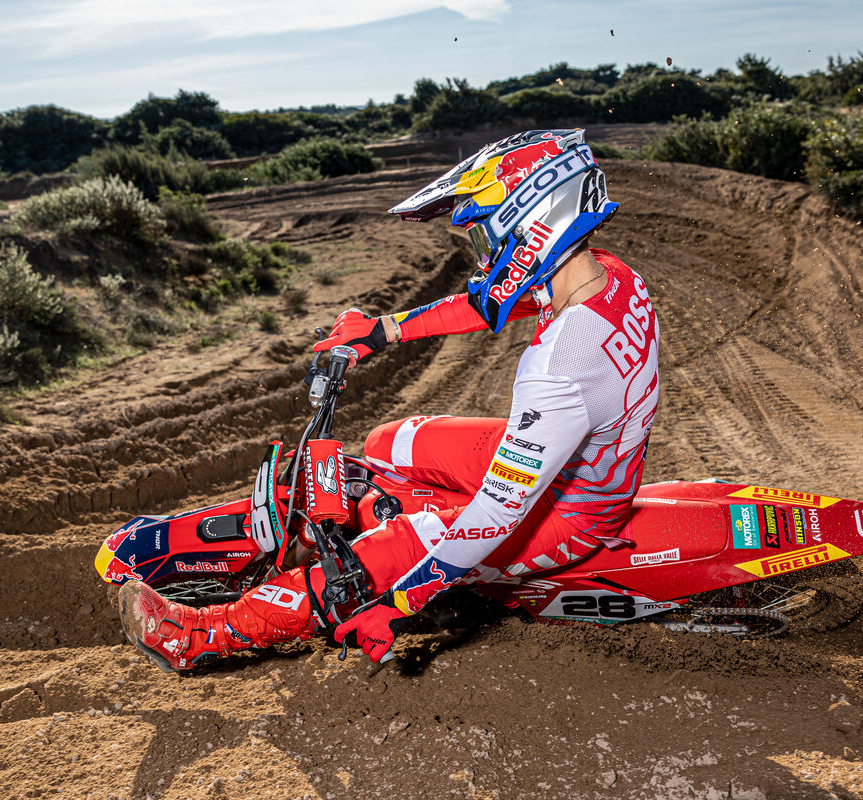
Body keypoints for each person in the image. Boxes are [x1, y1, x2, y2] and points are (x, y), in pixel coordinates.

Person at [118, 129, 660, 670]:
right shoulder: (609, 277)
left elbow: (500, 510)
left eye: (486, 236)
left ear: (534, 221)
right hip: (579, 460)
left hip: (575, 513)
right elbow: (493, 304)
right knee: (389, 444)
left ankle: (204, 634)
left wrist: (402, 603)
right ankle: (386, 527)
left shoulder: (560, 364)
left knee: (401, 541)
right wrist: (383, 330)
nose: (484, 256)